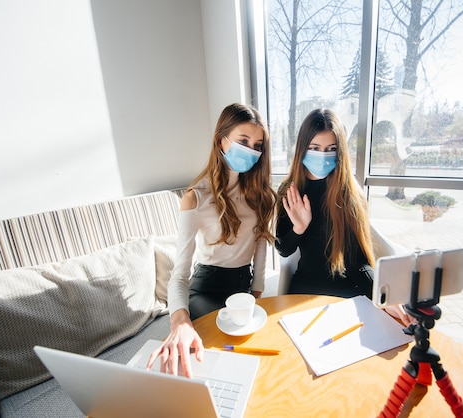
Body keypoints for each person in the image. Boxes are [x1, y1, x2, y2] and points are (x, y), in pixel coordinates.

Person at [146, 103, 276, 376]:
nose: (251, 151)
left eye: (257, 145)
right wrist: (179, 320)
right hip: (206, 287)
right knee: (223, 349)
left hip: (243, 286)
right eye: (243, 141)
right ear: (221, 141)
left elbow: (260, 249)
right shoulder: (196, 197)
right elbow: (179, 275)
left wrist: (257, 293)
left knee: (258, 345)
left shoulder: (260, 195)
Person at [275, 108, 413, 325]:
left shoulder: (348, 193)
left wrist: (382, 297)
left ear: (340, 153)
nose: (323, 156)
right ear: (302, 149)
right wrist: (298, 229)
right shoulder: (289, 191)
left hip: (347, 293)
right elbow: (283, 249)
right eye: (315, 148)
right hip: (304, 291)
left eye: (331, 149)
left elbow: (358, 262)